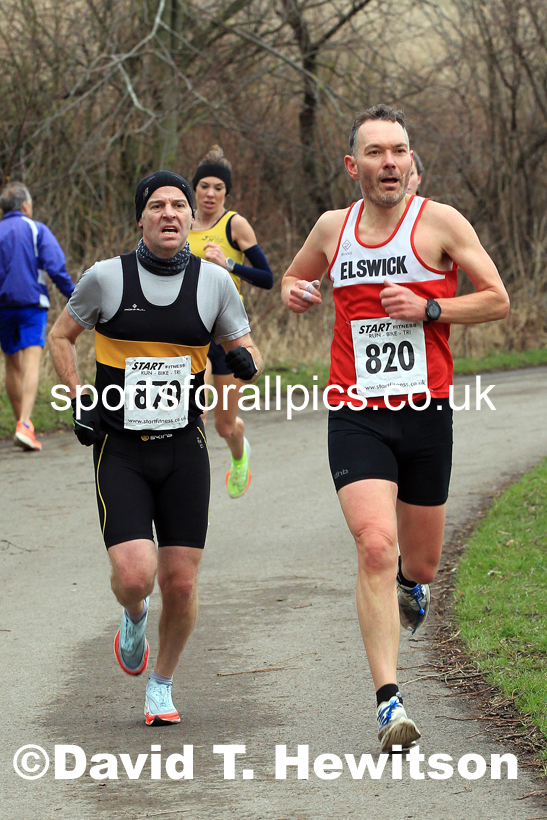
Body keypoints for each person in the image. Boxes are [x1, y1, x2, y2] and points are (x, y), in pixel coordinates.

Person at [281, 104, 509, 752]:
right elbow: (296, 278)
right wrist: (296, 292)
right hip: (356, 412)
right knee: (374, 546)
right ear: (353, 165)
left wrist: (431, 306)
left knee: (420, 560)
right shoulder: (333, 228)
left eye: (398, 151)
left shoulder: (438, 222)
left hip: (425, 412)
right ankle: (389, 704)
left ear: (410, 162)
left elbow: (496, 298)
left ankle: (414, 585)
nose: (388, 162)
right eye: (375, 152)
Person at [48, 171, 262, 726]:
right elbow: (60, 336)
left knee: (183, 582)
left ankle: (161, 685)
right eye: (159, 206)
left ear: (192, 220)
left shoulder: (216, 283)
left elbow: (248, 352)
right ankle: (134, 613)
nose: (171, 213)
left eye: (180, 206)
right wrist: (80, 399)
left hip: (184, 446)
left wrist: (244, 362)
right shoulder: (105, 278)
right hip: (119, 448)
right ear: (140, 218)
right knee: (137, 577)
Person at [188, 146, 273, 499]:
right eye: (204, 186)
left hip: (226, 327)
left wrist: (230, 265)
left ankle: (240, 456)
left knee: (224, 425)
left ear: (226, 192)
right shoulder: (181, 221)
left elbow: (267, 278)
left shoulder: (234, 224)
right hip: (189, 328)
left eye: (218, 188)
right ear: (194, 188)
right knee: (195, 411)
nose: (210, 194)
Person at [0, 181, 74, 451]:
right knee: (31, 360)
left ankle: (23, 426)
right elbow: (55, 267)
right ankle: (25, 423)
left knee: (11, 365)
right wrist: (74, 296)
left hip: (3, 307)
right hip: (31, 304)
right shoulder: (35, 229)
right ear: (25, 206)